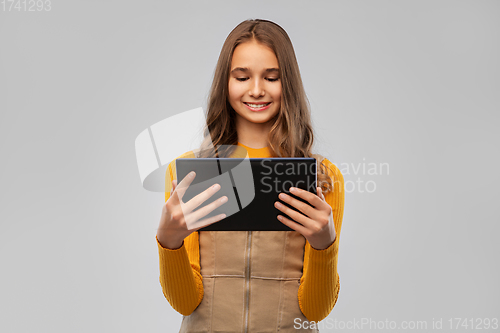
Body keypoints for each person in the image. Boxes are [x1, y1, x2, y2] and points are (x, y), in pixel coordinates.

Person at [155, 19, 345, 332]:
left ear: (289, 84)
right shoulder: (190, 173)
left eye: (271, 78)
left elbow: (315, 310)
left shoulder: (322, 178)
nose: (256, 90)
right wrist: (169, 242)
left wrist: (325, 244)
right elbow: (186, 304)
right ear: (225, 84)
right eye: (242, 77)